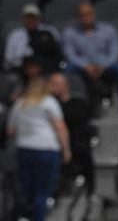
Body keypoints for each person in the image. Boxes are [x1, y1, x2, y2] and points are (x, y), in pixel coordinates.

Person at [6, 77, 72, 221]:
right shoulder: (49, 102)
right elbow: (60, 127)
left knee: (26, 190)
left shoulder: (19, 103)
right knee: (42, 191)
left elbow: (10, 131)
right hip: (46, 150)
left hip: (24, 150)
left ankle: (24, 216)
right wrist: (66, 150)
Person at [62, 2, 118, 119]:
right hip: (83, 67)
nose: (86, 18)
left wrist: (103, 65)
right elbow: (70, 54)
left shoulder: (109, 30)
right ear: (78, 17)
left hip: (106, 66)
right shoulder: (70, 33)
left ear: (94, 15)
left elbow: (115, 51)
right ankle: (67, 108)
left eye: (88, 14)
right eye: (82, 15)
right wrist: (86, 66)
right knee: (68, 70)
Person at [49, 72, 96, 194]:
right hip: (55, 144)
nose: (52, 87)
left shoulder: (78, 103)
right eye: (51, 84)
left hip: (77, 143)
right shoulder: (49, 105)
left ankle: (89, 192)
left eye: (55, 84)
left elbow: (77, 119)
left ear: (65, 85)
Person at [3, 4, 62, 74]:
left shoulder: (48, 32)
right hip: (19, 68)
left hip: (43, 68)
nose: (30, 21)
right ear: (23, 19)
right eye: (28, 18)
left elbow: (55, 53)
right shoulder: (15, 35)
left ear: (39, 19)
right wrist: (26, 65)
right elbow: (8, 58)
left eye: (33, 18)